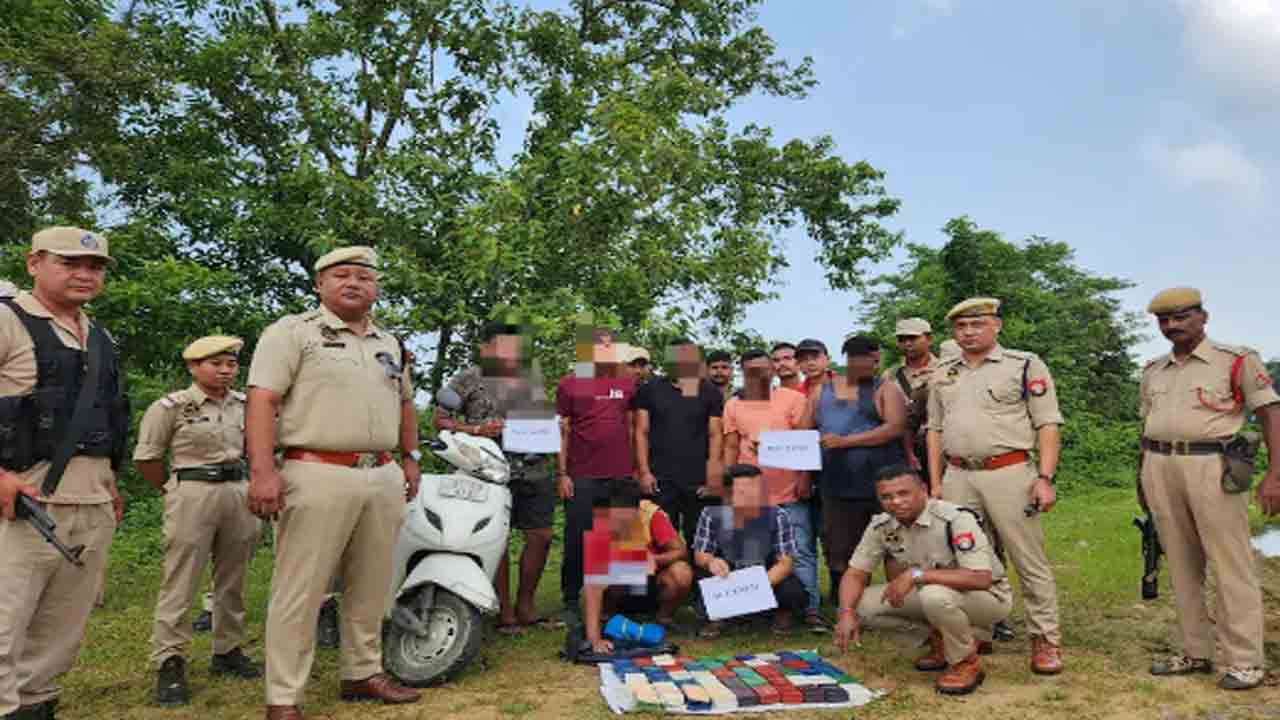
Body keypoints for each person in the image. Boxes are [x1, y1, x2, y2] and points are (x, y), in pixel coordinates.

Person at [246, 246, 422, 720]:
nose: (353, 283)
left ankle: (362, 673)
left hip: (381, 474)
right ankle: (284, 696)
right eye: (341, 275)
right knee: (300, 589)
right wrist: (262, 470)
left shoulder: (391, 343)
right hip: (316, 470)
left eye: (364, 276)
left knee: (371, 584)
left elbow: (406, 405)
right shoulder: (293, 333)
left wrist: (411, 458)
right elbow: (262, 400)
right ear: (320, 285)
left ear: (376, 287)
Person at [0, 227, 128, 720]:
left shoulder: (99, 336)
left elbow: (104, 418)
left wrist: (110, 484)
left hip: (90, 502)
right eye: (69, 262)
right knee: (5, 628)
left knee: (58, 636)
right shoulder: (9, 320)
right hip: (22, 502)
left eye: (94, 266)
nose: (84, 273)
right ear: (34, 263)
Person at [1139, 287, 1280, 691]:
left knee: (1230, 564)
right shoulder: (1153, 369)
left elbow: (1270, 413)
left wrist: (1275, 475)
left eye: (1181, 316)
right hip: (1159, 465)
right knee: (1182, 564)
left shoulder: (1236, 360)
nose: (1172, 326)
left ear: (1203, 317)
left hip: (1213, 466)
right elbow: (1145, 428)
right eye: (1164, 320)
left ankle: (1245, 659)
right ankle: (1195, 651)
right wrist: (1141, 480)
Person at [926, 297, 1065, 675]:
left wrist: (1045, 478)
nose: (968, 332)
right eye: (961, 327)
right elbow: (934, 429)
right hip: (957, 476)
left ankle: (1045, 639)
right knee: (963, 559)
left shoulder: (1023, 364)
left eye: (977, 324)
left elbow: (1047, 423)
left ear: (996, 325)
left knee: (1027, 559)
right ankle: (971, 635)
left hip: (1010, 473)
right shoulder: (944, 372)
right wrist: (936, 483)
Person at [134, 336, 263, 705]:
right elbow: (148, 458)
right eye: (215, 364)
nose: (225, 371)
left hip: (238, 490)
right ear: (193, 367)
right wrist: (172, 490)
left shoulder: (246, 405)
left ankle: (228, 650)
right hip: (192, 491)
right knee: (181, 578)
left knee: (233, 577)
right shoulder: (172, 407)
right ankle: (170, 660)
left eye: (231, 364)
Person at [833, 465, 1011, 696]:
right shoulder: (882, 525)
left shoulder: (954, 519)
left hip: (989, 598)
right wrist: (845, 611)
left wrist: (916, 575)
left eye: (903, 493)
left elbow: (980, 578)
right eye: (886, 497)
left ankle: (965, 662)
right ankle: (941, 639)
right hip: (936, 594)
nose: (895, 502)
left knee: (934, 595)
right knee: (863, 605)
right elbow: (856, 572)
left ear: (923, 491)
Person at [436, 319, 557, 635]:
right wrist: (475, 429)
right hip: (488, 471)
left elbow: (546, 419)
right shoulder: (468, 379)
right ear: (485, 347)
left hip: (534, 469)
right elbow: (441, 420)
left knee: (541, 535)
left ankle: (526, 605)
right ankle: (505, 612)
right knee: (496, 539)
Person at [802, 335, 907, 607]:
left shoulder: (886, 388)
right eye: (855, 359)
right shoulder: (822, 390)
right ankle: (845, 605)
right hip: (835, 481)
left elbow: (894, 428)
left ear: (877, 359)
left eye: (870, 359)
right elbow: (803, 430)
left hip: (880, 483)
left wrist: (845, 441)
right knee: (838, 545)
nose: (864, 365)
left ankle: (899, 604)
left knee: (893, 545)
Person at [721, 349, 818, 631]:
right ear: (743, 371)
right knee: (748, 552)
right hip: (750, 495)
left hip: (789, 489)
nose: (758, 374)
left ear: (772, 371)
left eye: (763, 368)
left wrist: (805, 478)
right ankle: (750, 609)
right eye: (751, 369)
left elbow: (805, 442)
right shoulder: (733, 405)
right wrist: (729, 487)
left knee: (800, 550)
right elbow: (729, 448)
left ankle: (810, 609)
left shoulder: (794, 399)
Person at [556, 329, 637, 626]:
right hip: (582, 475)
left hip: (621, 476)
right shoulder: (569, 384)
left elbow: (631, 427)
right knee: (578, 541)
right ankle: (569, 600)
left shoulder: (626, 384)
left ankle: (619, 604)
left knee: (622, 543)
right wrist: (562, 473)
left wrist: (637, 468)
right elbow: (562, 430)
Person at [692, 464, 807, 638]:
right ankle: (716, 619)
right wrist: (711, 561)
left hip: (766, 577)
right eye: (744, 491)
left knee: (792, 590)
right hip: (727, 575)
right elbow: (700, 555)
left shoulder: (777, 515)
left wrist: (756, 587)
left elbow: (786, 563)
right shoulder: (710, 514)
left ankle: (781, 616)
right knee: (703, 580)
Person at [634, 341, 724, 550]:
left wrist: (713, 476)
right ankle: (667, 582)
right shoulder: (650, 390)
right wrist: (644, 472)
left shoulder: (708, 391)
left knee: (701, 541)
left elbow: (715, 435)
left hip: (698, 480)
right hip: (660, 479)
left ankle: (700, 583)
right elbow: (641, 432)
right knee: (661, 540)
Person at [582, 490, 693, 652]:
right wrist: (594, 640)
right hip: (617, 585)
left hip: (653, 582)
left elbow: (681, 551)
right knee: (590, 587)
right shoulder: (599, 523)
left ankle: (662, 620)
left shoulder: (652, 515)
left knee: (681, 572)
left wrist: (655, 559)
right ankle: (607, 620)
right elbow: (592, 586)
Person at [882, 318, 939, 474]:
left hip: (942, 446)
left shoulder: (946, 370)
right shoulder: (890, 375)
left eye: (913, 338)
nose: (907, 343)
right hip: (903, 450)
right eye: (902, 339)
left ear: (929, 339)